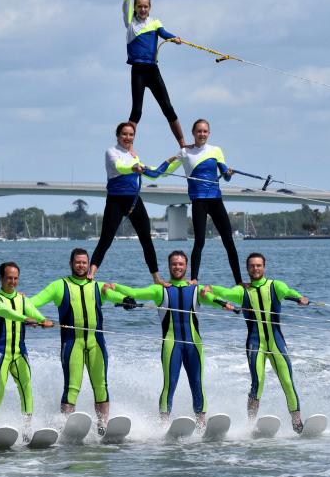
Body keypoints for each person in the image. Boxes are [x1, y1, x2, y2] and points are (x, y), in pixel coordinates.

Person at [104, 250, 235, 429]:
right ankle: (164, 424)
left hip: (194, 345)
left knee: (197, 383)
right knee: (170, 383)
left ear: (186, 266)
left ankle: (201, 423)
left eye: (181, 264)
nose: (177, 267)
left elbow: (212, 298)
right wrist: (114, 286)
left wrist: (225, 304)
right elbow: (135, 292)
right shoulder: (160, 289)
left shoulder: (196, 289)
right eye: (174, 264)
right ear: (169, 266)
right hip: (171, 345)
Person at [204, 253, 311, 433]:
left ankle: (297, 421)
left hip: (276, 343)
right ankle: (251, 424)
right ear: (247, 269)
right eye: (252, 266)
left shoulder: (276, 286)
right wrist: (208, 287)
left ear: (264, 267)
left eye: (259, 265)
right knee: (257, 382)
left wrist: (301, 298)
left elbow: (290, 293)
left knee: (287, 381)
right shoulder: (242, 291)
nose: (256, 269)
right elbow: (224, 292)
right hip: (255, 344)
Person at [30, 248, 128, 435]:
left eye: (84, 262)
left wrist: (126, 300)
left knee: (101, 385)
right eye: (77, 262)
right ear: (71, 264)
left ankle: (103, 425)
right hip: (72, 343)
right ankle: (64, 427)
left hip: (96, 343)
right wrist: (26, 310)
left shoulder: (98, 286)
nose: (81, 265)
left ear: (88, 264)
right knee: (72, 387)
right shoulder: (59, 286)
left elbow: (114, 296)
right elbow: (35, 301)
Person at [161, 119, 242, 285]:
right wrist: (155, 167)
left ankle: (239, 281)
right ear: (193, 133)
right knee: (199, 241)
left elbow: (225, 176)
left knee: (228, 241)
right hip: (198, 201)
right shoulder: (185, 153)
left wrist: (229, 173)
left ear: (209, 133)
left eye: (205, 131)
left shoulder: (216, 150)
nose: (202, 134)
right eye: (199, 131)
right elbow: (163, 173)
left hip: (215, 200)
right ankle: (194, 279)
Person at [88, 122, 170, 284]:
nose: (128, 137)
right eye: (124, 134)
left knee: (146, 239)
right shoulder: (111, 152)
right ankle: (91, 274)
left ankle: (157, 278)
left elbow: (154, 174)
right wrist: (133, 168)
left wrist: (170, 162)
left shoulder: (134, 156)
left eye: (131, 134)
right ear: (118, 136)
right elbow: (120, 167)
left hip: (133, 201)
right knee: (106, 239)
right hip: (116, 201)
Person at [123, 0, 185, 147]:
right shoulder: (130, 22)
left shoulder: (154, 22)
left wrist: (174, 38)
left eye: (145, 7)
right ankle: (128, 147)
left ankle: (183, 144)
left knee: (168, 107)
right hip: (138, 71)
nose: (142, 9)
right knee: (137, 111)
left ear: (150, 8)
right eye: (139, 6)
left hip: (153, 70)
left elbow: (164, 32)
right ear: (135, 8)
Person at [0, 262, 53, 437]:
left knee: (26, 388)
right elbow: (7, 313)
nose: (12, 282)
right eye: (9, 278)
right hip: (0, 354)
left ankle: (26, 429)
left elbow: (33, 311)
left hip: (19, 353)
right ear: (1, 278)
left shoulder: (22, 299)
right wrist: (25, 319)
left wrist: (44, 320)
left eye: (15, 278)